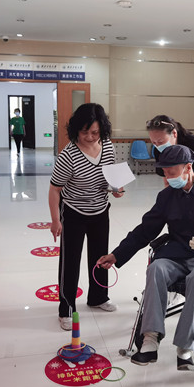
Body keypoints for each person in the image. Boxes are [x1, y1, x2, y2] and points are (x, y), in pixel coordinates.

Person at [97, 145, 194, 370]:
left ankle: (184, 347)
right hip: (178, 255)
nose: (167, 178)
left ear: (188, 168)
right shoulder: (167, 197)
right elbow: (145, 230)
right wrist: (117, 255)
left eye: (171, 172)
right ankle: (150, 339)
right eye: (165, 173)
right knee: (156, 268)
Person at [48, 103, 124, 331]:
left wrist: (117, 189)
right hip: (74, 212)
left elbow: (111, 178)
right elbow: (55, 190)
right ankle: (66, 308)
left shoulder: (108, 147)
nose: (90, 137)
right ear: (75, 130)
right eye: (84, 132)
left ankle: (98, 297)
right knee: (70, 262)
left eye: (95, 132)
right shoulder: (68, 155)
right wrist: (55, 220)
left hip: (100, 211)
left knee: (101, 258)